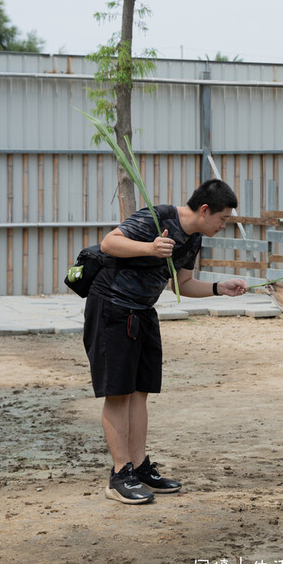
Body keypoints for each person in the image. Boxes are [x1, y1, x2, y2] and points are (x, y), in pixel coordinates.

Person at [83, 178, 248, 505]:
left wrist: (218, 288)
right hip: (112, 307)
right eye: (223, 218)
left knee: (140, 391)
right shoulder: (155, 219)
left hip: (144, 311)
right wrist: (150, 247)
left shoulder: (194, 238)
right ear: (205, 210)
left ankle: (140, 467)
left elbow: (181, 284)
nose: (224, 225)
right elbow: (108, 243)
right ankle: (120, 475)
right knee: (118, 393)